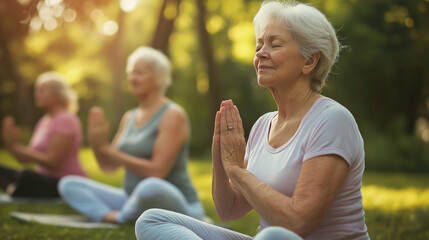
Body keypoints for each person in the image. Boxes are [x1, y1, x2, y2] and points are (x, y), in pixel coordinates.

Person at [134, 1, 369, 240]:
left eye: (275, 44)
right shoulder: (263, 125)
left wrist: (237, 170)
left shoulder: (332, 120)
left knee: (272, 237)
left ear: (309, 61)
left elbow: (299, 222)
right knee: (152, 220)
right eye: (259, 45)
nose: (260, 53)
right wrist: (221, 158)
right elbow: (229, 210)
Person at [58, 46, 205, 224]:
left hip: (175, 203)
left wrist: (107, 148)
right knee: (68, 184)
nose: (132, 78)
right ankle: (111, 216)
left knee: (150, 187)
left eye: (139, 73)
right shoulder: (129, 116)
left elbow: (157, 171)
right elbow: (109, 166)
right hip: (131, 198)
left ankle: (122, 217)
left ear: (158, 77)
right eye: (131, 73)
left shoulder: (173, 114)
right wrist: (98, 143)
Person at [1, 72, 86, 199]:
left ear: (57, 94)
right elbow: (26, 158)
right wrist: (11, 145)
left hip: (65, 182)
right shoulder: (43, 121)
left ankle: (15, 190)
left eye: (42, 90)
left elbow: (53, 162)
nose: (37, 95)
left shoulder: (65, 119)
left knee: (27, 175)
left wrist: (16, 147)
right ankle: (14, 190)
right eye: (36, 90)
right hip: (44, 178)